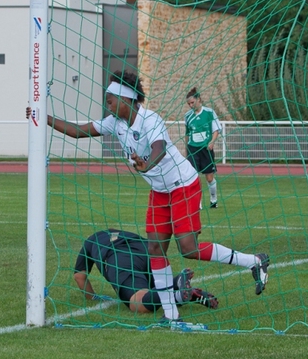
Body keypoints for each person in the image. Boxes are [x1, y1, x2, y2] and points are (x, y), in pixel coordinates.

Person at [28, 70, 269, 325]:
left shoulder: (150, 119)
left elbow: (160, 148)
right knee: (155, 248)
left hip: (183, 185)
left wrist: (147, 166)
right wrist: (43, 117)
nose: (107, 104)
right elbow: (78, 131)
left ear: (126, 99)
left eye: (110, 100)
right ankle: (171, 315)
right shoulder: (115, 123)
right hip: (159, 191)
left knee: (188, 249)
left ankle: (254, 262)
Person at [74, 228, 218, 314]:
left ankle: (176, 283)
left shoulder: (91, 241)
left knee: (137, 302)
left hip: (120, 257)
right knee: (154, 292)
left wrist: (92, 298)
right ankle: (178, 293)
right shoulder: (124, 233)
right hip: (147, 250)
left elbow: (79, 276)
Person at [184, 87, 221, 209]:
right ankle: (197, 203)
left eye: (192, 102)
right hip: (193, 149)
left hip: (206, 149)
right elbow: (187, 134)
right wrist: (186, 150)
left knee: (209, 177)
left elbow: (216, 130)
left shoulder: (209, 113)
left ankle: (213, 200)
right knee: (193, 177)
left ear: (198, 99)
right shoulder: (188, 116)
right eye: (188, 104)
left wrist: (212, 142)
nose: (190, 105)